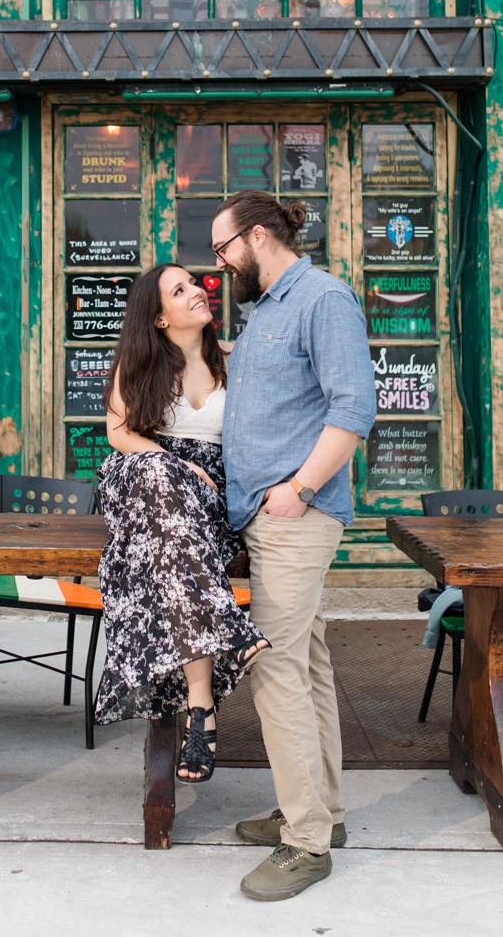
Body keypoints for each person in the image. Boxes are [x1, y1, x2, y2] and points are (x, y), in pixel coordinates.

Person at [213, 189, 376, 903]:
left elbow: (353, 408)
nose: (218, 268)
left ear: (255, 237)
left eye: (222, 251)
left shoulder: (323, 300)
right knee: (304, 663)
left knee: (273, 666)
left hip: (294, 514)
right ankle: (322, 814)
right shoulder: (267, 311)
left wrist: (300, 489)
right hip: (264, 511)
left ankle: (305, 844)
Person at [93, 263, 269, 783]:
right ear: (160, 316)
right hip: (144, 479)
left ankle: (200, 707)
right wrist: (176, 464)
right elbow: (121, 436)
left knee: (174, 552)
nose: (198, 291)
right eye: (180, 289)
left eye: (195, 283)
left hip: (205, 501)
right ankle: (225, 637)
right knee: (156, 475)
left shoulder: (236, 362)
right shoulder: (138, 362)